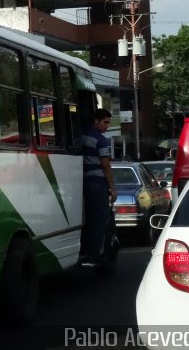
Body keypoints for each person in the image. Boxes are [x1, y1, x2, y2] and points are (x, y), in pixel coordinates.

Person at [81, 109, 117, 266]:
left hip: (83, 181)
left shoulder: (81, 136)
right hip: (97, 183)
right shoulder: (100, 140)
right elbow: (106, 166)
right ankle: (94, 253)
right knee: (100, 218)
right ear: (96, 120)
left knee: (88, 216)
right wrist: (113, 188)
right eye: (105, 122)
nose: (107, 126)